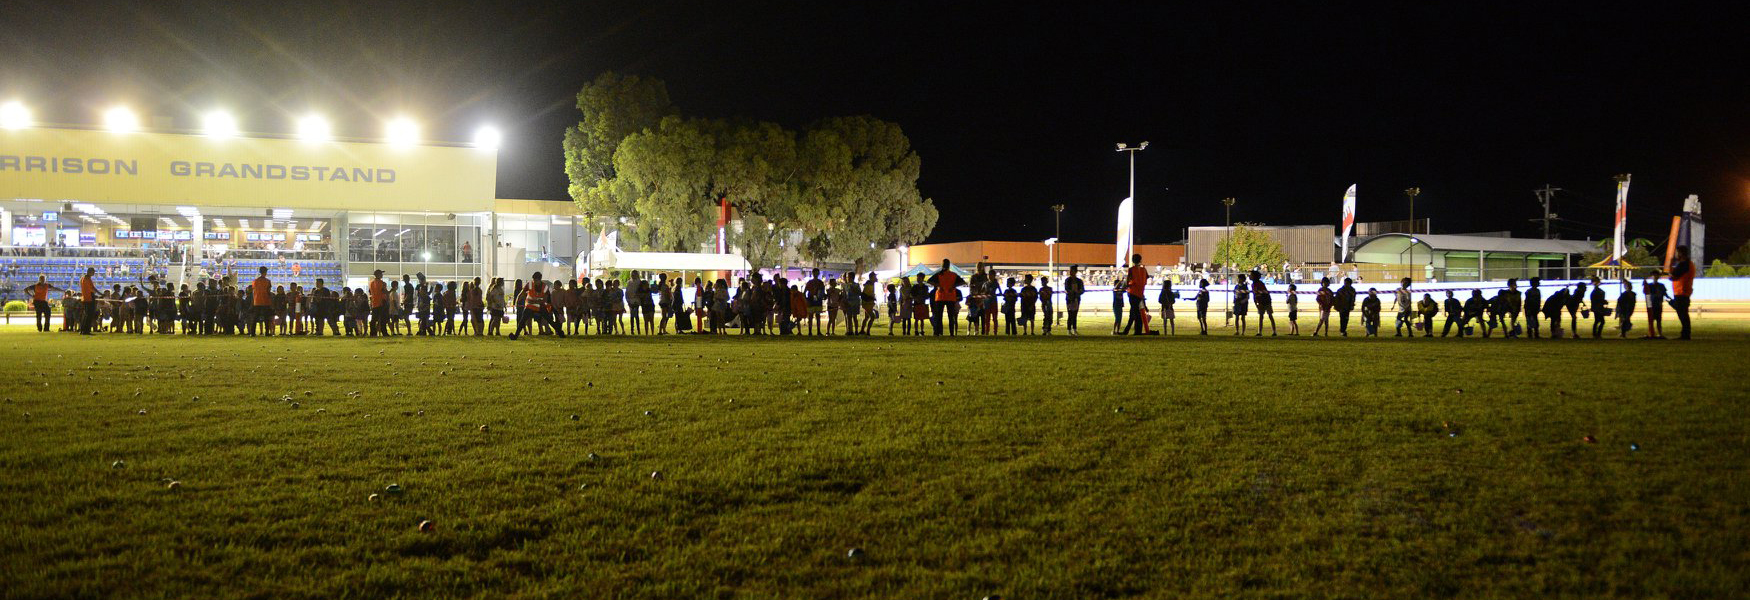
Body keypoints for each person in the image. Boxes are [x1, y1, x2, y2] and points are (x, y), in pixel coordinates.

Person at [929, 259, 964, 336]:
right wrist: (953, 286)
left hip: (940, 297)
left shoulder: (939, 274)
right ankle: (951, 333)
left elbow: (929, 281)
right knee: (950, 316)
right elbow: (962, 282)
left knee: (939, 316)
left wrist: (938, 286)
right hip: (950, 297)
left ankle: (938, 332)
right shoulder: (953, 275)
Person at [1669, 246, 1695, 339]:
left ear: (1680, 253)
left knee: (1682, 313)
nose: (1676, 255)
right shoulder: (1688, 263)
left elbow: (1672, 276)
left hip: (1681, 291)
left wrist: (1670, 265)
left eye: (1677, 252)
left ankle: (1685, 334)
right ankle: (1685, 333)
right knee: (1683, 313)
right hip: (1684, 291)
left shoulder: (1683, 264)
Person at [250, 266, 273, 336]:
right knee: (266, 318)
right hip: (265, 301)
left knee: (255, 317)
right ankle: (267, 332)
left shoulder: (255, 281)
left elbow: (253, 290)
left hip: (257, 301)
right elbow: (268, 291)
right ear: (265, 272)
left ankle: (252, 333)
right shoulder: (268, 281)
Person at [1642, 274, 1666, 339]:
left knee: (1658, 320)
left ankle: (1659, 333)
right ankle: (1652, 332)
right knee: (1652, 320)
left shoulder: (1661, 286)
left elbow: (1664, 294)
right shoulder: (1650, 286)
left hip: (1657, 304)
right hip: (1652, 305)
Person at [1251, 271, 1274, 336]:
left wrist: (1258, 302)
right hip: (1261, 301)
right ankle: (1260, 332)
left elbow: (1261, 293)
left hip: (1265, 301)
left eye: (1251, 275)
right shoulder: (1254, 284)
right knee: (1262, 316)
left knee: (1269, 315)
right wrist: (1256, 303)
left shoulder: (1259, 283)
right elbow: (1255, 294)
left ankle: (1273, 331)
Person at [1064, 265, 1085, 335]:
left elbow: (1082, 290)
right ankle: (1069, 329)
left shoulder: (1079, 281)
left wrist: (1077, 293)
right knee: (1070, 314)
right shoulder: (1067, 280)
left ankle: (1074, 329)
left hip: (1076, 299)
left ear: (1075, 272)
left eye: (1072, 271)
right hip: (1069, 299)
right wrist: (1071, 294)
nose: (1070, 272)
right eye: (1070, 271)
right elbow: (1067, 288)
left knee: (1075, 314)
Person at [368, 270, 389, 337]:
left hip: (374, 302)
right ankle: (384, 332)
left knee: (374, 319)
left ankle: (373, 332)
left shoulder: (371, 283)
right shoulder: (382, 283)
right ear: (378, 275)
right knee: (383, 319)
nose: (382, 275)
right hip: (382, 302)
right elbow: (384, 291)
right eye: (381, 274)